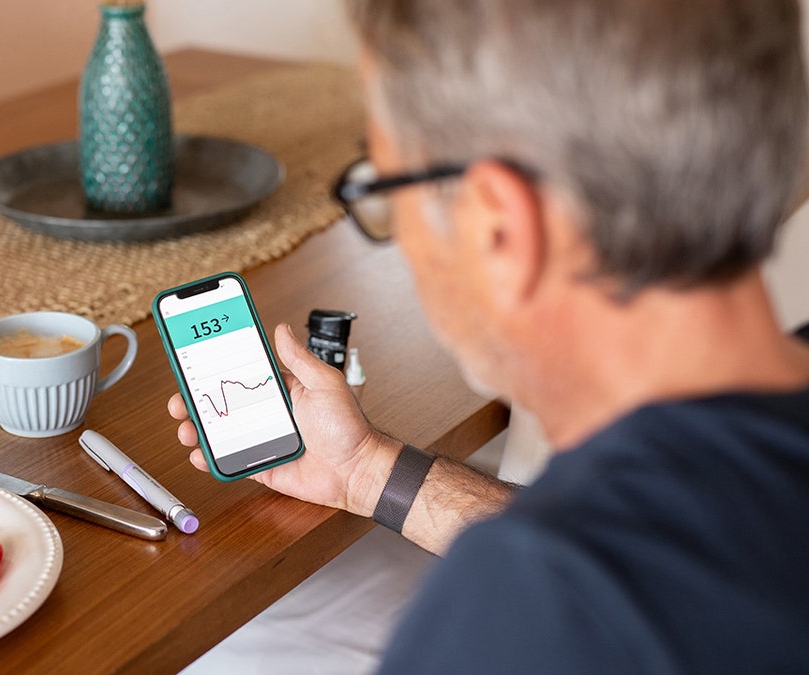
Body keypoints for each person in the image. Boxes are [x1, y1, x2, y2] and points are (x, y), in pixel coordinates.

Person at [167, 0, 809, 671]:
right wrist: (364, 469)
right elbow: (661, 555)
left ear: (499, 227)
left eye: (386, 187)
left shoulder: (525, 614)